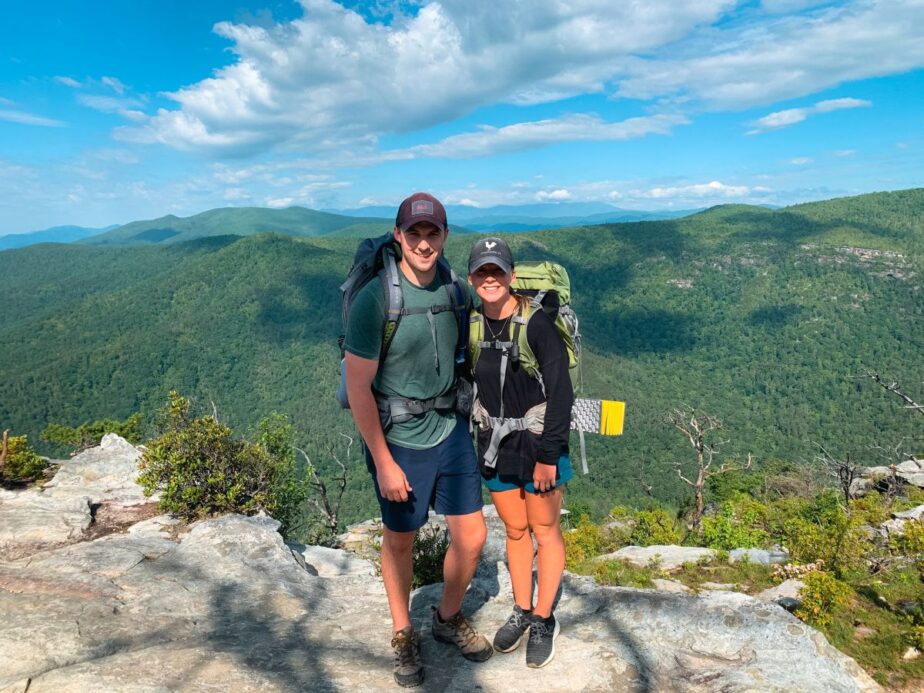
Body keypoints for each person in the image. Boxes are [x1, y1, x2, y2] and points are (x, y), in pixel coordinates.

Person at [343, 192, 493, 688]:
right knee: (400, 540)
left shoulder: (454, 289)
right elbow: (358, 387)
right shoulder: (374, 301)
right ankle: (404, 631)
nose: (424, 243)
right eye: (415, 234)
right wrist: (384, 461)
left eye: (433, 234)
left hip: (450, 429)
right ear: (398, 236)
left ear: (445, 236)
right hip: (399, 438)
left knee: (472, 537)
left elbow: (488, 331)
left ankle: (446, 619)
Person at [466, 236, 574, 669]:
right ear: (473, 278)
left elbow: (561, 392)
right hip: (495, 445)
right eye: (482, 272)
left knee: (544, 531)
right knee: (514, 531)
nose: (490, 279)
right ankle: (522, 610)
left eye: (497, 271)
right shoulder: (471, 323)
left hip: (538, 443)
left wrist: (549, 455)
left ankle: (544, 618)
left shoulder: (535, 324)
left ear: (511, 276)